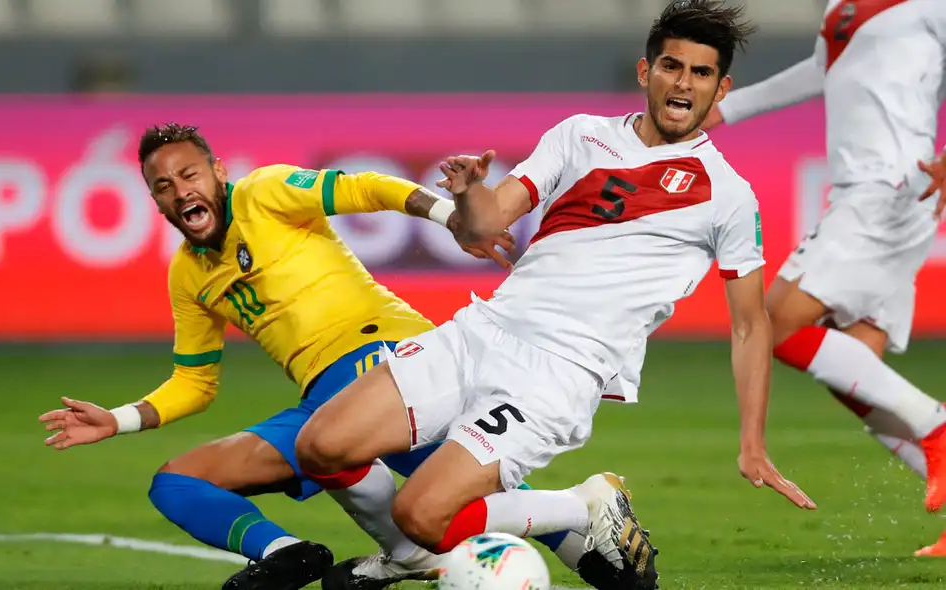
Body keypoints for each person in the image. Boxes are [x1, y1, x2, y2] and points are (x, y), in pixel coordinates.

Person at [295, 2, 816, 590]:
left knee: (423, 512)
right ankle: (415, 554)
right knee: (321, 445)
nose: (683, 83)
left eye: (700, 73)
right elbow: (483, 227)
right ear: (647, 72)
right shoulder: (580, 135)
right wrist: (470, 193)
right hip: (483, 331)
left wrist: (753, 443)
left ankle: (578, 507)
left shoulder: (728, 195)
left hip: (557, 373)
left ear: (720, 89)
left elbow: (749, 325)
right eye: (672, 66)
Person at [37, 123, 597, 590]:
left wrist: (449, 217)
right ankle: (287, 555)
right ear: (155, 199)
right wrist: (119, 419)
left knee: (444, 480)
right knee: (177, 483)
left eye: (189, 174)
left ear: (217, 173)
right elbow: (195, 384)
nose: (180, 191)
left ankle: (577, 523)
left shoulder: (267, 192)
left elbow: (368, 189)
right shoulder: (187, 275)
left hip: (388, 358)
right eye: (163, 185)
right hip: (322, 403)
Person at [702, 0, 946, 556]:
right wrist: (729, 108)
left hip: (884, 193)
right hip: (874, 196)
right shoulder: (842, 8)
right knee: (859, 375)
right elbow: (821, 71)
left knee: (772, 325)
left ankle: (938, 426)